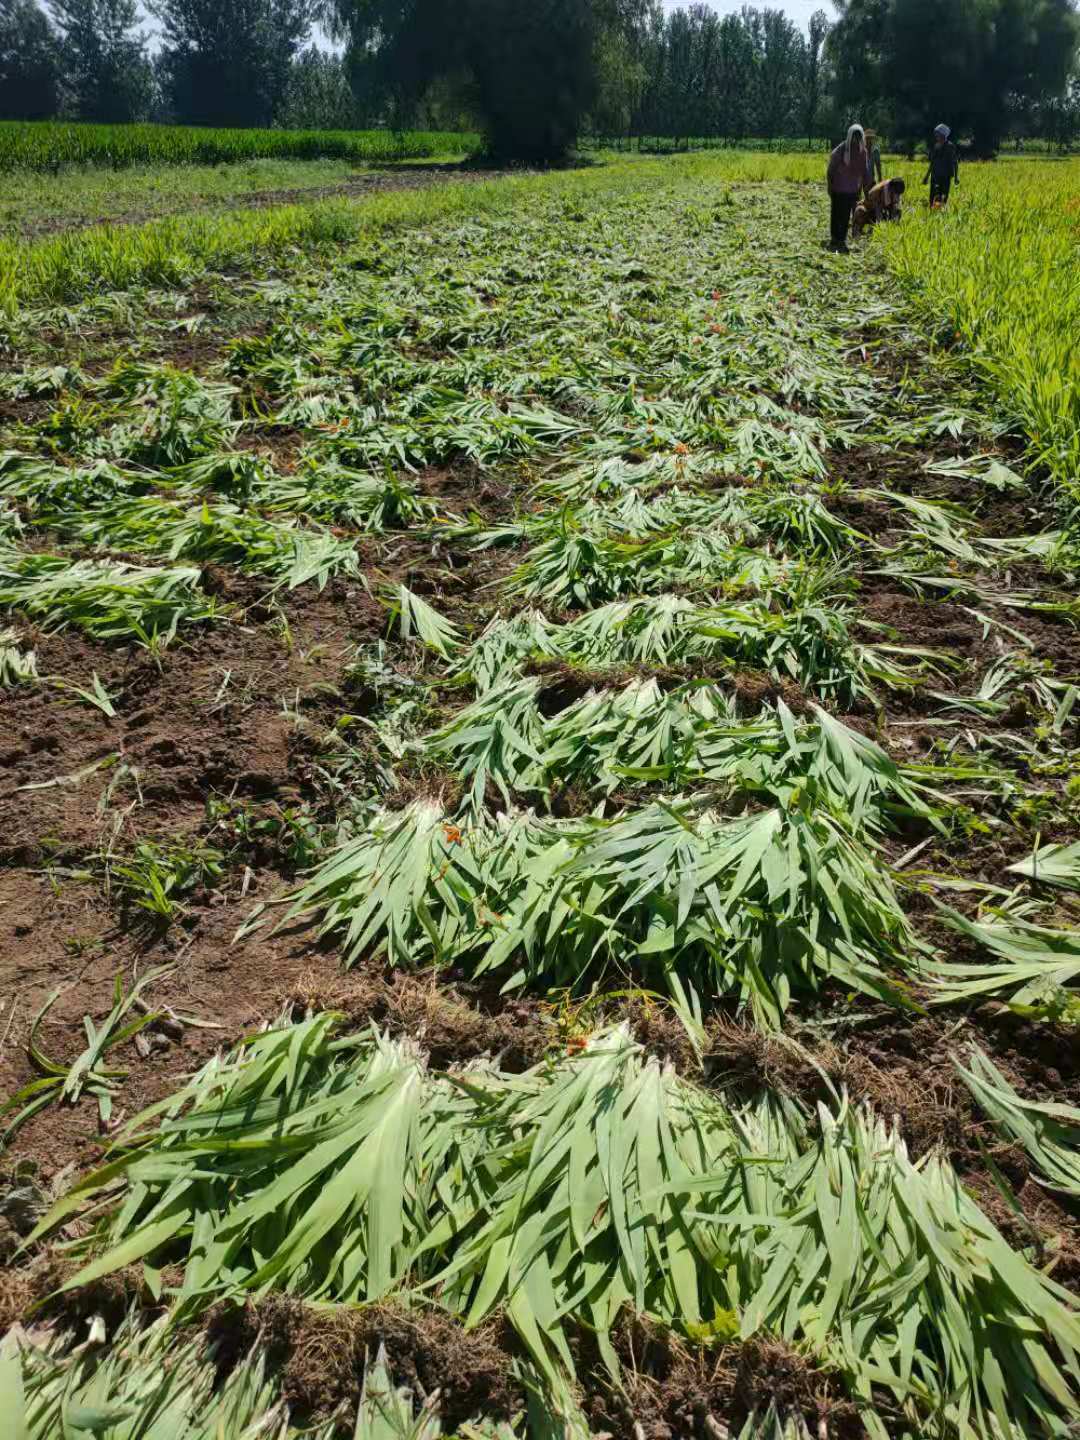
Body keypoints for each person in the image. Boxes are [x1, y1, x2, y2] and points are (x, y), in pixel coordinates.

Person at [826, 124, 867, 253]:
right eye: (854, 137)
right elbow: (831, 169)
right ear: (850, 136)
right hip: (838, 188)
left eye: (858, 137)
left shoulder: (862, 151)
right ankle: (835, 238)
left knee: (847, 215)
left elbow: (863, 171)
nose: (856, 140)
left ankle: (841, 239)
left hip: (853, 190)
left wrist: (863, 188)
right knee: (837, 213)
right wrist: (829, 185)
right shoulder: (842, 149)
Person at [923, 123, 959, 205]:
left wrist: (956, 177)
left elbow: (955, 162)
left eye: (937, 134)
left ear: (943, 135)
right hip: (935, 176)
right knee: (933, 198)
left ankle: (941, 214)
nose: (936, 136)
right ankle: (933, 214)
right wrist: (927, 176)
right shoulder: (936, 146)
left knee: (942, 198)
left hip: (945, 177)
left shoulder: (950, 147)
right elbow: (932, 163)